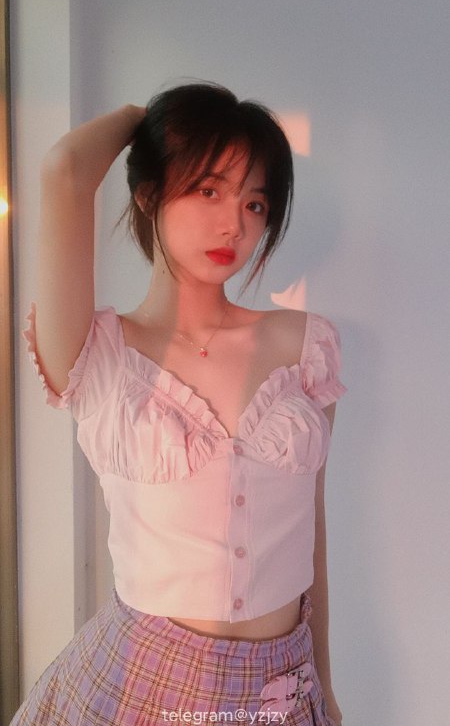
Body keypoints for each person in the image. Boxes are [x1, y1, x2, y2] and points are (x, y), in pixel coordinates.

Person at [13, 82, 347, 726]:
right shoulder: (97, 353)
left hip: (280, 688)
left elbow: (313, 525)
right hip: (138, 686)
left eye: (255, 202)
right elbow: (63, 172)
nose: (234, 224)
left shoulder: (305, 345)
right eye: (208, 190)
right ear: (148, 194)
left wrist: (324, 687)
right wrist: (148, 120)